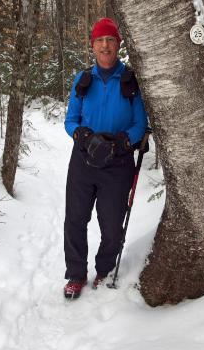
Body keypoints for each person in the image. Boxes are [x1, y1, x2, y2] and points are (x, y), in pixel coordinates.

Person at [63, 18, 148, 299]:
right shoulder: (83, 79)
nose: (105, 45)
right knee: (75, 220)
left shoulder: (131, 81)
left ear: (118, 44)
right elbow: (70, 120)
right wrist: (83, 137)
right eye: (100, 41)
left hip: (118, 161)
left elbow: (140, 123)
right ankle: (76, 275)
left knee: (112, 224)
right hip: (84, 160)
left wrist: (124, 142)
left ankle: (104, 269)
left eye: (110, 40)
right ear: (93, 46)